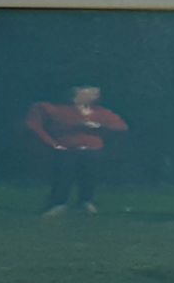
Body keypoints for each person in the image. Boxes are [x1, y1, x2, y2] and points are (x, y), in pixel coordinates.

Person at [25, 86, 127, 215]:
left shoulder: (102, 112)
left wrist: (100, 127)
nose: (95, 96)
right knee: (64, 175)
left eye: (96, 93)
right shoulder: (56, 109)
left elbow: (121, 127)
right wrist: (51, 143)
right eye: (89, 92)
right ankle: (58, 203)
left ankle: (85, 201)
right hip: (66, 148)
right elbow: (33, 124)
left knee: (90, 175)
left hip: (92, 149)